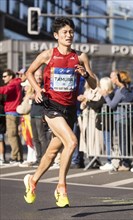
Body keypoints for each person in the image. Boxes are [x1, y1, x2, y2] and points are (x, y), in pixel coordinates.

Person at [23, 17, 97, 207]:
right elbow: (29, 73)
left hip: (69, 109)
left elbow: (94, 83)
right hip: (52, 107)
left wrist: (85, 75)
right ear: (56, 35)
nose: (69, 35)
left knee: (52, 151)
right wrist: (38, 90)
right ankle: (61, 187)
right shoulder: (47, 55)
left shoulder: (80, 56)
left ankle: (32, 180)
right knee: (71, 141)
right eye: (64, 32)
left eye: (71, 32)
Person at [101, 70, 133, 171]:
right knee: (126, 141)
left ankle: (125, 164)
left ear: (117, 79)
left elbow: (112, 105)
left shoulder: (120, 91)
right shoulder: (124, 89)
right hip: (125, 119)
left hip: (121, 119)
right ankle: (127, 162)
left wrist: (105, 95)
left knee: (123, 142)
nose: (111, 79)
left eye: (113, 77)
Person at [0, 69, 23, 164]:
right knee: (15, 136)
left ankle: (15, 158)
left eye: (5, 76)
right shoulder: (15, 83)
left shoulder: (13, 83)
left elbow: (5, 90)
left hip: (12, 112)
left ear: (10, 76)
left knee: (12, 136)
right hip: (12, 112)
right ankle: (18, 157)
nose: (3, 78)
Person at [30, 68, 49, 166]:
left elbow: (44, 98)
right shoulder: (32, 86)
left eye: (40, 75)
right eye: (36, 75)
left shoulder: (44, 86)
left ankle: (44, 159)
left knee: (42, 138)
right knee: (35, 138)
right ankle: (38, 158)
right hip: (32, 114)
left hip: (40, 114)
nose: (39, 77)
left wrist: (34, 96)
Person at [0, 94, 6, 165]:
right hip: (2, 128)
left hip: (0, 128)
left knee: (0, 142)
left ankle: (1, 158)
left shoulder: (1, 107)